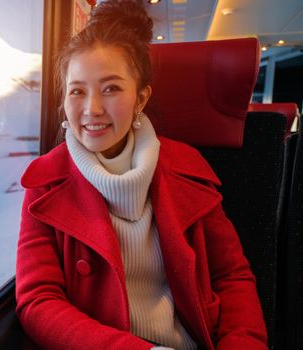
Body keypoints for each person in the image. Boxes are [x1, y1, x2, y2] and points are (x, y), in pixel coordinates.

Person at [15, 0, 268, 349]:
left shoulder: (188, 168)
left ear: (141, 98)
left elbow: (231, 277)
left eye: (112, 88)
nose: (92, 109)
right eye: (77, 91)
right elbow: (38, 302)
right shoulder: (45, 183)